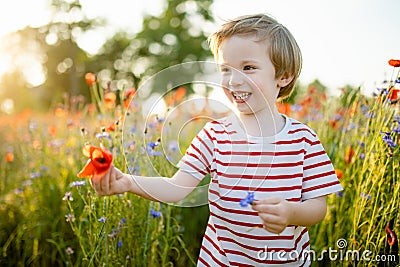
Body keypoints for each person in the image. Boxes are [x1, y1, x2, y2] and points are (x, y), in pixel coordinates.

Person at [90, 13, 343, 266]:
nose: (234, 81)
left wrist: (291, 213)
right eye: (225, 70)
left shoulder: (304, 140)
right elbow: (177, 187)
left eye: (248, 68)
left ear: (284, 76)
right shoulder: (214, 136)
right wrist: (128, 182)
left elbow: (318, 208)